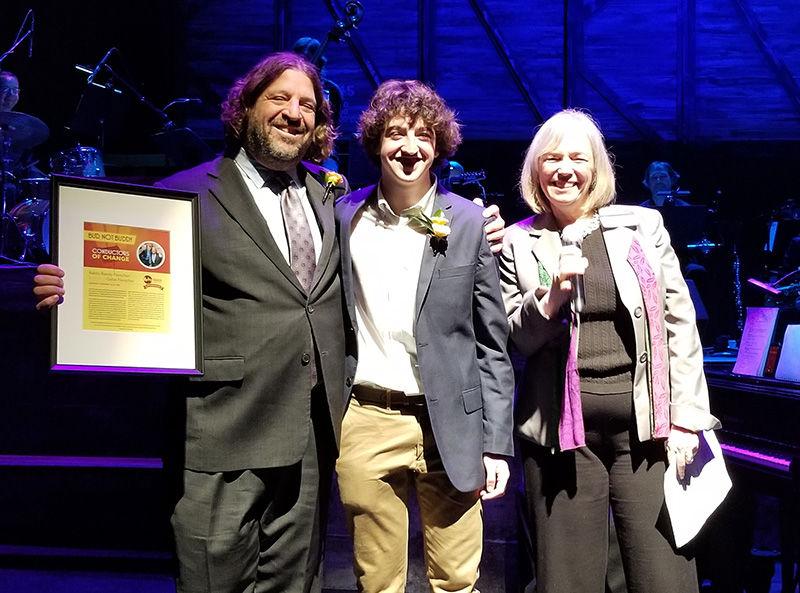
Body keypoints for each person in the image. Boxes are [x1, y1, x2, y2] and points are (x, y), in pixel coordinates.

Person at [31, 54, 507, 593]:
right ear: (245, 107)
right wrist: (71, 283)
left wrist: (483, 227)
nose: (293, 112)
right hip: (224, 433)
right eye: (278, 98)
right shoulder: (187, 192)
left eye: (307, 103)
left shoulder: (327, 197)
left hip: (309, 437)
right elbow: (120, 260)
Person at [498, 109, 719, 593]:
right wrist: (552, 296)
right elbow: (518, 337)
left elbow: (678, 322)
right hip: (560, 436)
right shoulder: (517, 242)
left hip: (646, 434)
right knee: (567, 580)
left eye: (578, 158)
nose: (564, 169)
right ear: (536, 170)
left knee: (663, 576)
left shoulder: (642, 226)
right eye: (552, 158)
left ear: (596, 169)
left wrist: (686, 417)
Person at [334, 80, 514, 593]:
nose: (409, 148)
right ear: (375, 142)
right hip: (367, 419)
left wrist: (496, 444)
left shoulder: (470, 222)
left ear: (439, 146)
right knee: (378, 583)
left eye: (423, 135)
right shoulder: (344, 216)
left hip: (451, 426)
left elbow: (491, 343)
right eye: (396, 133)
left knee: (457, 581)